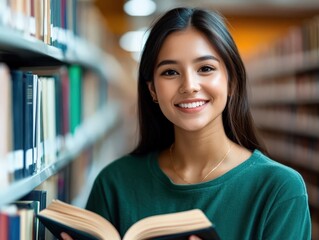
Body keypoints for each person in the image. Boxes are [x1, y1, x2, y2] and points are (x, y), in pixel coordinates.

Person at [61, 7, 311, 240]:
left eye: (205, 68)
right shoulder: (115, 183)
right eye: (170, 72)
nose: (189, 85)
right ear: (152, 91)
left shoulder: (279, 189)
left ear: (232, 82)